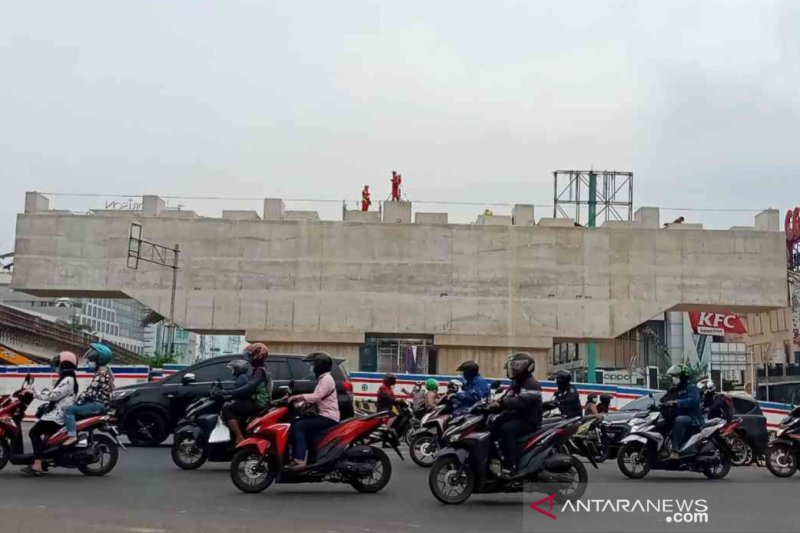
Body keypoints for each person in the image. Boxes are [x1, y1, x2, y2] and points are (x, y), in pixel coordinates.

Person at [23, 351, 79, 475]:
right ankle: (42, 462)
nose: (56, 367)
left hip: (58, 416)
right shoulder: (66, 379)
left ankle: (37, 465)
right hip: (56, 413)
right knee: (41, 434)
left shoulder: (68, 380)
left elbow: (54, 396)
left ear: (65, 365)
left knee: (34, 433)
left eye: (58, 364)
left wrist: (34, 393)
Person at [489, 352, 543, 476]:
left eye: (518, 365)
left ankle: (511, 465)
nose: (514, 368)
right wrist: (495, 403)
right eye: (513, 365)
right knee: (492, 424)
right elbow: (507, 396)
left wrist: (501, 404)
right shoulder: (516, 383)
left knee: (506, 429)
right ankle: (494, 458)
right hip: (518, 416)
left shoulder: (531, 383)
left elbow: (521, 401)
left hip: (529, 420)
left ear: (528, 367)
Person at [287, 352, 340, 469]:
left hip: (328, 416)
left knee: (299, 425)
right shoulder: (322, 379)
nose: (311, 367)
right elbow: (315, 399)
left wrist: (298, 397)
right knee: (300, 423)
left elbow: (316, 396)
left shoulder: (326, 379)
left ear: (320, 366)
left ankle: (300, 460)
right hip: (323, 414)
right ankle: (311, 460)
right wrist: (298, 404)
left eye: (313, 364)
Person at [63, 344, 114, 447]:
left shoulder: (101, 374)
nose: (89, 362)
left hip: (97, 404)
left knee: (70, 410)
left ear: (99, 359)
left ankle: (72, 436)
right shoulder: (105, 372)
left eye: (91, 360)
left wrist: (78, 400)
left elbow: (90, 392)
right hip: (99, 403)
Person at [218, 344, 270, 444]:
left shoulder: (261, 371)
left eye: (249, 355)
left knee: (227, 407)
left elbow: (249, 387)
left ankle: (239, 437)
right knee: (235, 403)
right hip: (256, 400)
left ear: (257, 355)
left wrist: (228, 392)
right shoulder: (259, 369)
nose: (248, 358)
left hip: (259, 403)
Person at [663, 364, 703, 459]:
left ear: (683, 377)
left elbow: (694, 401)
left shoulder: (692, 388)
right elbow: (665, 399)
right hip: (676, 414)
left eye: (676, 376)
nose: (674, 379)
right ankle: (663, 447)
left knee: (679, 420)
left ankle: (675, 450)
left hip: (692, 418)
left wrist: (677, 402)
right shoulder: (675, 388)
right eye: (673, 377)